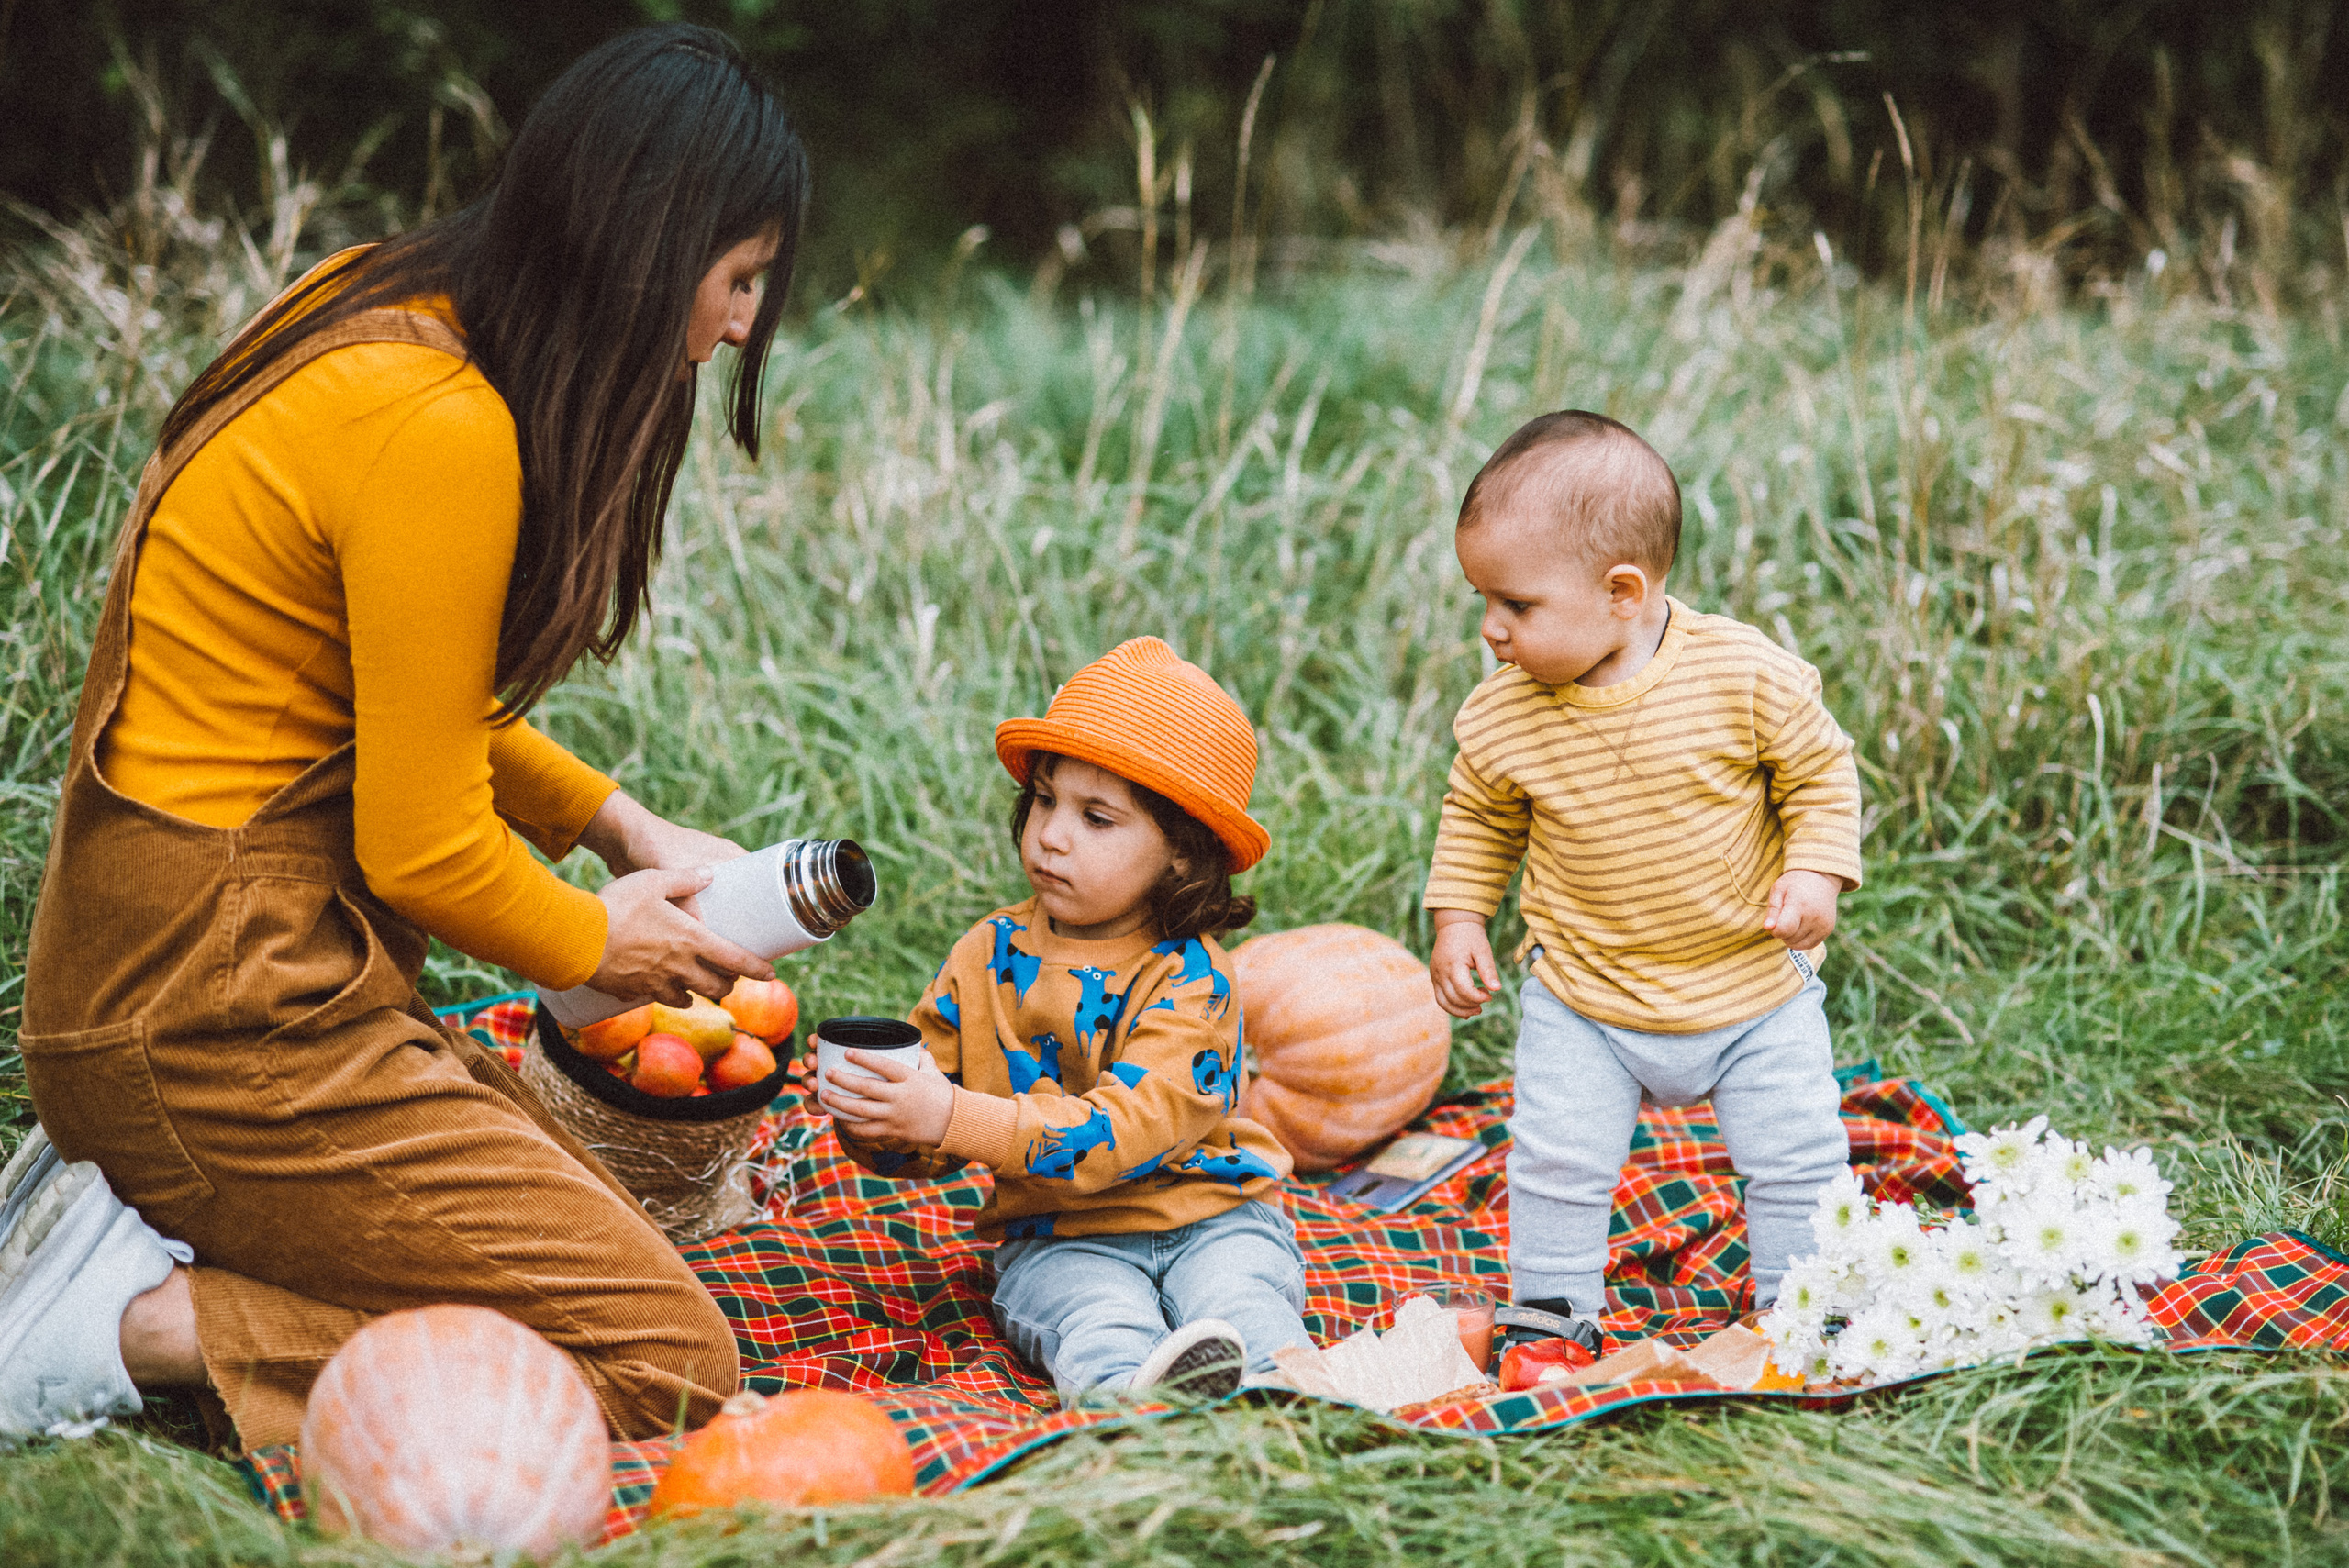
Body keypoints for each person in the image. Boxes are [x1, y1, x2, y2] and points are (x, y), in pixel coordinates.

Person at [0, 25, 807, 1450]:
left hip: (170, 966)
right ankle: (126, 1325)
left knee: (582, 1237)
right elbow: (424, 847)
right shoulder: (442, 425)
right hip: (217, 1013)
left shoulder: (373, 309)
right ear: (644, 245)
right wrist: (599, 940)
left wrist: (616, 823)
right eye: (739, 279)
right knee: (664, 1356)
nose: (743, 325)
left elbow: (378, 695)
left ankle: (128, 1228)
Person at [1421, 410, 1863, 1357]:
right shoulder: (1502, 714)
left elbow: (1821, 772)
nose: (1490, 629)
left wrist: (1815, 871)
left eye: (1516, 604)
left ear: (1622, 591)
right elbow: (1478, 817)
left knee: (1796, 1157)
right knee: (1554, 1163)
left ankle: (1808, 1307)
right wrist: (1459, 916)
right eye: (1481, 600)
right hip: (1586, 994)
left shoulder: (1742, 675)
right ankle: (1550, 1313)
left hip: (1751, 989)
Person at [818, 638, 1312, 1404]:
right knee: (1097, 1318)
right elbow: (936, 1138)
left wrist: (948, 1113)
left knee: (1242, 1299)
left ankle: (1290, 1402)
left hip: (1211, 1213)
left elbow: (1120, 1132)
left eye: (1097, 817)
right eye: (1046, 800)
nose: (1052, 833)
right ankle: (1134, 1404)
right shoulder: (987, 953)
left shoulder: (1195, 979)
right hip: (1061, 1236)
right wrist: (882, 1119)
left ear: (1181, 853)